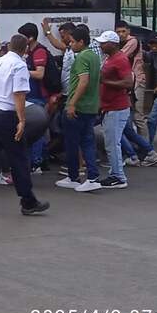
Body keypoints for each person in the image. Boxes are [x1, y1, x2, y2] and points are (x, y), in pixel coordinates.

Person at [0, 34, 50, 217]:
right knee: (19, 159)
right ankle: (28, 201)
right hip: (6, 115)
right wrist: (22, 120)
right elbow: (19, 95)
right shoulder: (19, 65)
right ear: (26, 49)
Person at [56, 27, 102, 192]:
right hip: (91, 106)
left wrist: (72, 103)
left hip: (79, 107)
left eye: (73, 42)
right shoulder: (95, 57)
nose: (71, 44)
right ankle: (92, 177)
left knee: (72, 142)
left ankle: (74, 176)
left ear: (82, 42)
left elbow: (83, 82)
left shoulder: (82, 57)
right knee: (88, 142)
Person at [96, 30, 131, 189]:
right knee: (111, 142)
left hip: (117, 107)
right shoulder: (111, 58)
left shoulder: (120, 59)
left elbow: (127, 83)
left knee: (112, 143)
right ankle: (115, 173)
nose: (101, 45)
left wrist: (105, 81)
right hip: (110, 106)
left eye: (104, 43)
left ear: (113, 44)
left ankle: (118, 176)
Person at [17, 23, 53, 175]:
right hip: (31, 96)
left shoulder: (39, 52)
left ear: (30, 38)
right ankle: (40, 160)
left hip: (38, 97)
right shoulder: (29, 51)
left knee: (36, 131)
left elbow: (40, 74)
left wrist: (21, 69)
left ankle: (36, 162)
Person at [116, 20, 147, 137]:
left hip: (137, 81)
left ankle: (146, 146)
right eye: (118, 32)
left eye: (123, 31)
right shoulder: (119, 43)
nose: (121, 34)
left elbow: (120, 56)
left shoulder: (132, 41)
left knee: (138, 116)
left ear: (128, 31)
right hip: (129, 82)